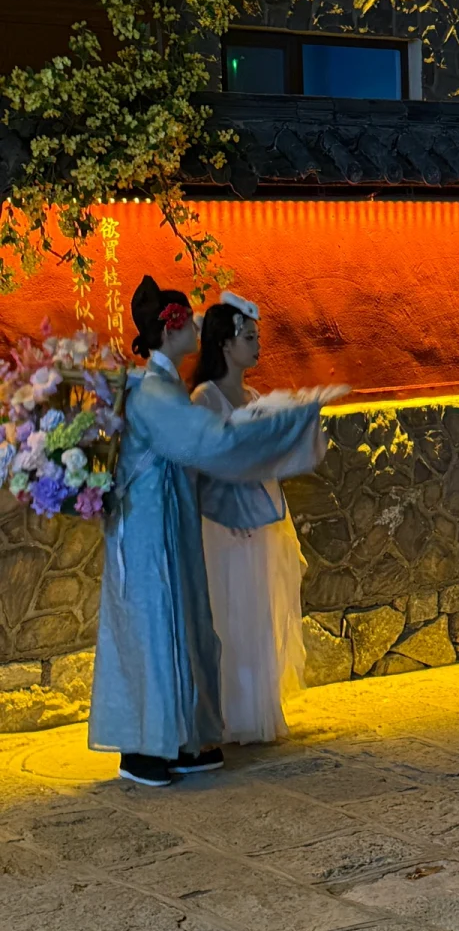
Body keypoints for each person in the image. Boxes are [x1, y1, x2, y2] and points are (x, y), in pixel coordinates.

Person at [89, 275, 330, 788]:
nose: (197, 328)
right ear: (169, 329)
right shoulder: (155, 394)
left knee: (189, 625)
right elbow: (210, 442)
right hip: (147, 533)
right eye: (187, 321)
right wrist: (285, 423)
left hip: (170, 525)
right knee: (156, 632)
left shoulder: (165, 387)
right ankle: (143, 748)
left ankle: (185, 737)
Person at [192, 292, 306, 745]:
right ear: (225, 343)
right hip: (224, 523)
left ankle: (257, 709)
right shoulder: (205, 397)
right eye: (249, 337)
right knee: (228, 610)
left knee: (258, 608)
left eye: (258, 337)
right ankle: (226, 712)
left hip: (259, 516)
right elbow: (199, 463)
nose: (257, 345)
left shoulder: (256, 396)